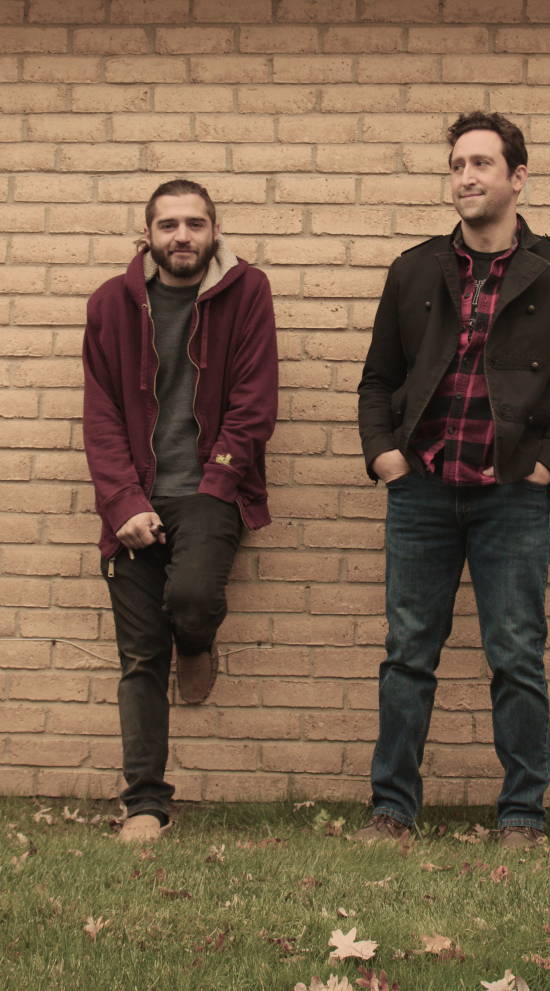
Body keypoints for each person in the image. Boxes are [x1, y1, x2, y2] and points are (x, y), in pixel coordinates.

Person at [356, 111, 550, 849]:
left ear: (517, 176)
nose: (465, 176)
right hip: (422, 488)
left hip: (512, 495)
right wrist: (385, 456)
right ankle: (392, 809)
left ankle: (522, 814)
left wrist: (546, 466)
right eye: (458, 163)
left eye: (482, 164)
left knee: (517, 654)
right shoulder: (414, 268)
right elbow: (378, 380)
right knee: (409, 653)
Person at [83, 179, 278, 843]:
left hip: (211, 485)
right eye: (168, 224)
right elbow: (101, 414)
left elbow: (254, 401)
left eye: (195, 223)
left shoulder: (247, 292)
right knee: (139, 657)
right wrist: (122, 503)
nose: (182, 236)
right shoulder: (111, 304)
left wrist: (218, 480)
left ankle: (195, 639)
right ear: (148, 235)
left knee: (191, 596)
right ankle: (146, 803)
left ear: (214, 231)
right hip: (134, 492)